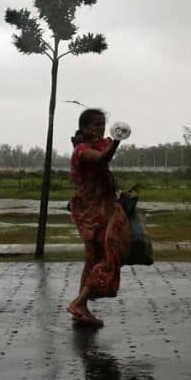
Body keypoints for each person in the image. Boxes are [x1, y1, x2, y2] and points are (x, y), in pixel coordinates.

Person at [66, 109, 130, 327]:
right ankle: (79, 302)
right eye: (95, 125)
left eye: (103, 124)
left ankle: (81, 307)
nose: (100, 129)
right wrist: (118, 141)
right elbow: (102, 158)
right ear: (84, 128)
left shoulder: (97, 146)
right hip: (93, 213)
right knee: (108, 255)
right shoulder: (82, 151)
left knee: (95, 258)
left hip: (102, 209)